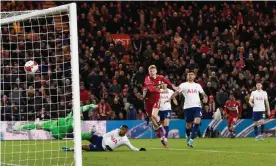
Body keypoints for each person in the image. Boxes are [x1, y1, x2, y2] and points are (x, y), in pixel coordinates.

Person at [13, 104, 98, 139]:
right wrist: (91, 105)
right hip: (56, 127)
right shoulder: (73, 116)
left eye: (81, 115)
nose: (80, 114)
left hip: (56, 129)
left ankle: (20, 127)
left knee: (38, 125)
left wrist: (89, 133)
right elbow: (82, 108)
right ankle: (21, 127)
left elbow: (79, 134)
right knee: (37, 126)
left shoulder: (75, 123)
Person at [143, 65, 177, 147]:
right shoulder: (147, 79)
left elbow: (167, 81)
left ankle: (162, 128)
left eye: (153, 71)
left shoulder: (160, 78)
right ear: (149, 72)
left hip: (156, 100)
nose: (152, 72)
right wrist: (162, 92)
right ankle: (161, 138)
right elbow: (151, 89)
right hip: (147, 101)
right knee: (154, 123)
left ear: (156, 71)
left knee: (155, 115)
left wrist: (173, 86)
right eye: (150, 71)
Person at [172, 70, 208, 147]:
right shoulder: (183, 85)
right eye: (189, 74)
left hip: (197, 106)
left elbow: (204, 94)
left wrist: (206, 98)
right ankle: (188, 137)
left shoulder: (198, 85)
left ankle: (191, 140)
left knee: (197, 121)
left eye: (192, 74)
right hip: (187, 107)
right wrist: (173, 97)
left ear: (194, 76)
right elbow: (176, 92)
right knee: (188, 125)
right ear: (187, 76)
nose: (190, 76)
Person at [62, 125, 146, 152]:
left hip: (101, 148)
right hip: (100, 139)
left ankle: (70, 149)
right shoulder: (116, 131)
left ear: (125, 131)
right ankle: (69, 136)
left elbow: (131, 147)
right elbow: (105, 135)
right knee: (87, 136)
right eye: (120, 129)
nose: (120, 130)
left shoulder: (125, 140)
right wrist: (107, 144)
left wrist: (139, 150)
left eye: (122, 130)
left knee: (84, 147)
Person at [158, 83, 177, 148]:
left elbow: (173, 98)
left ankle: (166, 140)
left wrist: (175, 101)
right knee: (161, 126)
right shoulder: (159, 91)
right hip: (160, 110)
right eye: (162, 84)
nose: (163, 85)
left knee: (166, 125)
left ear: (167, 84)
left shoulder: (170, 91)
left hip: (167, 109)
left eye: (164, 83)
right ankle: (163, 139)